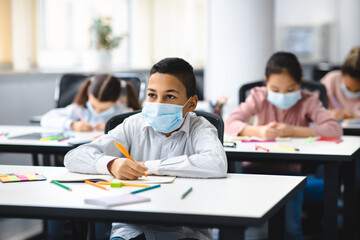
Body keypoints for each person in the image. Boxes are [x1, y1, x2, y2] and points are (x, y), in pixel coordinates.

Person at [64, 57, 227, 240]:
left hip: (184, 231)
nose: (158, 104)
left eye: (170, 96)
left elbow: (216, 163)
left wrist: (149, 167)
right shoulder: (133, 124)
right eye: (152, 95)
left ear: (191, 103)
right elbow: (74, 156)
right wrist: (111, 164)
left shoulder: (201, 127)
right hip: (133, 228)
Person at [225, 52, 342, 240]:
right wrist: (259, 132)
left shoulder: (307, 100)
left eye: (290, 89)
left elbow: (334, 128)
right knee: (229, 228)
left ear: (300, 83)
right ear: (266, 83)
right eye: (275, 89)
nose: (282, 95)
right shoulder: (258, 96)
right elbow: (230, 123)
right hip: (252, 174)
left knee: (291, 232)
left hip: (290, 176)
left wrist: (293, 131)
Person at [41, 74, 142, 131]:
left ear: (116, 100)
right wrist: (72, 125)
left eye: (103, 109)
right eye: (93, 106)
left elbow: (137, 130)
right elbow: (46, 119)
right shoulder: (80, 108)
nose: (97, 112)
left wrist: (112, 127)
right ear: (88, 94)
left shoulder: (124, 112)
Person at [321, 46, 360, 120]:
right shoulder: (331, 80)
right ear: (342, 74)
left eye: (358, 90)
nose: (352, 92)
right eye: (348, 88)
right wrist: (329, 113)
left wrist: (354, 114)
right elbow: (313, 108)